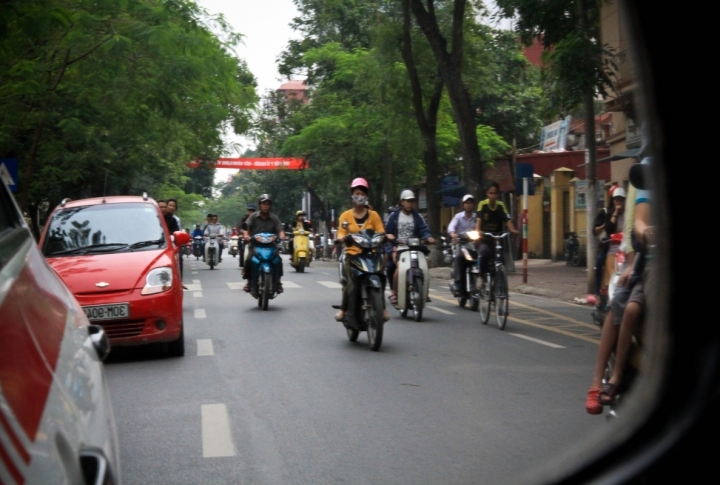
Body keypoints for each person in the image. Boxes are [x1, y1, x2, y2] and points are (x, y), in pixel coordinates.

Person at [334, 178, 389, 322]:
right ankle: (343, 309)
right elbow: (341, 232)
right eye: (357, 193)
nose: (360, 196)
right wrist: (341, 238)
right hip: (352, 256)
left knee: (381, 276)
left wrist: (385, 237)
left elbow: (381, 232)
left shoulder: (374, 215)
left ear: (366, 196)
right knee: (350, 282)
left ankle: (382, 307)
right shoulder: (345, 216)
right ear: (352, 195)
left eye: (362, 193)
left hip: (372, 255)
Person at [384, 189, 434, 305]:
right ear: (402, 202)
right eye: (407, 201)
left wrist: (428, 237)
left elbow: (424, 230)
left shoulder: (418, 216)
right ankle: (394, 292)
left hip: (415, 247)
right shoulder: (394, 216)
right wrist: (390, 236)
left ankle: (424, 292)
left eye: (412, 201)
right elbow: (387, 231)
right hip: (399, 247)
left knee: (425, 265)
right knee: (399, 267)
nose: (410, 203)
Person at [592, 187, 627, 321]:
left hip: (626, 250)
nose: (619, 202)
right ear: (613, 200)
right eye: (616, 199)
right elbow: (609, 229)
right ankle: (599, 295)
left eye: (621, 200)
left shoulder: (630, 215)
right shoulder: (608, 213)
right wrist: (615, 215)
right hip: (611, 249)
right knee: (601, 263)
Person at [474, 182, 518, 283]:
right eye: (490, 193)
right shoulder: (483, 204)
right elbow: (479, 220)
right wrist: (477, 231)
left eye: (495, 193)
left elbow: (507, 220)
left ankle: (497, 283)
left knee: (500, 259)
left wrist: (513, 230)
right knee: (484, 253)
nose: (493, 196)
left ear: (498, 194)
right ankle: (481, 276)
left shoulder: (501, 205)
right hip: (484, 238)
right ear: (487, 194)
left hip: (497, 239)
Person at [242, 194, 285, 292]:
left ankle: (278, 283)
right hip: (255, 245)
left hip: (271, 246)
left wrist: (282, 235)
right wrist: (246, 235)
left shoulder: (274, 218)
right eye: (263, 204)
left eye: (267, 204)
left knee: (278, 260)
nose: (265, 206)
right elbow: (246, 227)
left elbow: (280, 229)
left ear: (270, 205)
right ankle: (249, 283)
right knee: (249, 260)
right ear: (260, 205)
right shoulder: (253, 216)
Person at [447, 195, 477, 296]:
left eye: (470, 203)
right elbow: (451, 227)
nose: (469, 205)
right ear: (463, 205)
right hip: (461, 244)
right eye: (466, 203)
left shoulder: (476, 217)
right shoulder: (458, 216)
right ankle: (458, 282)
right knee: (459, 257)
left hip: (473, 245)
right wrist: (453, 234)